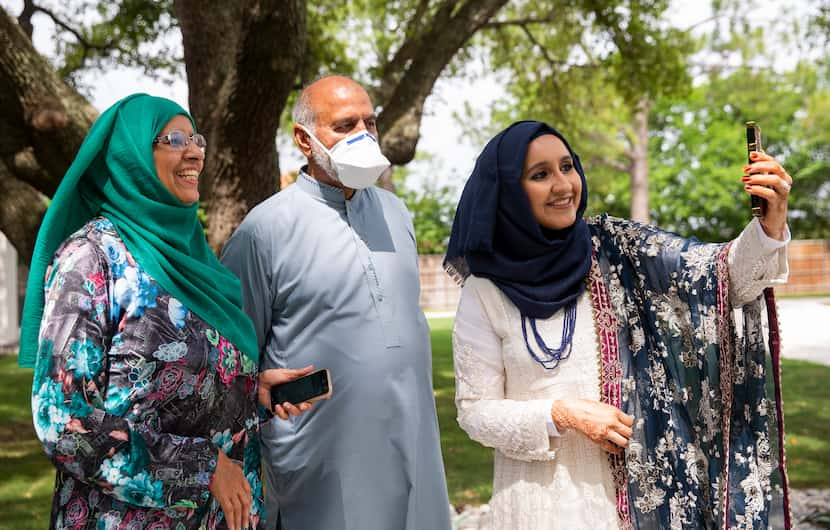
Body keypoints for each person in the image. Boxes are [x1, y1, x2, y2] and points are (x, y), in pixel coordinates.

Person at [446, 120, 792, 530]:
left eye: (567, 166)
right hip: (540, 504)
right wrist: (561, 414)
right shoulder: (485, 291)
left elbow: (721, 278)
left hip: (640, 501)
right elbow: (476, 412)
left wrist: (771, 223)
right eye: (540, 174)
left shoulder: (619, 251)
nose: (563, 185)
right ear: (507, 191)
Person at [19, 93, 312, 530]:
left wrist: (251, 391)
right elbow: (63, 420)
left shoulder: (194, 261)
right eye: (174, 139)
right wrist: (201, 467)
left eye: (196, 138)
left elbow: (180, 382)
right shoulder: (92, 259)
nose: (194, 151)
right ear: (131, 156)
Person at [221, 75, 452, 530]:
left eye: (370, 123)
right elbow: (230, 361)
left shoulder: (396, 212)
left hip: (414, 443)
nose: (363, 136)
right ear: (304, 140)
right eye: (346, 126)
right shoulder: (263, 231)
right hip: (322, 464)